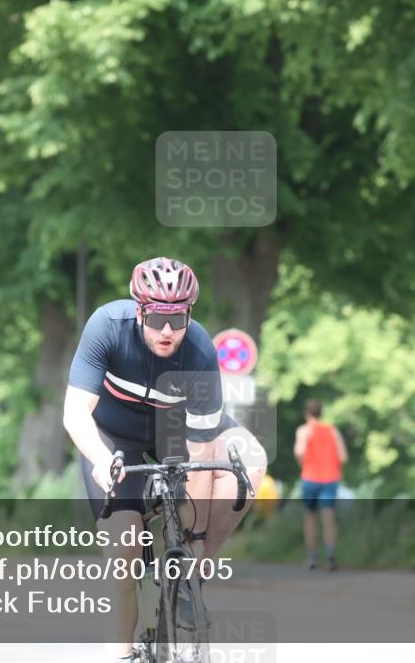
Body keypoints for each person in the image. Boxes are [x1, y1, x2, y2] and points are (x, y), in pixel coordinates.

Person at [63, 256, 267, 661]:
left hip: (178, 431)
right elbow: (75, 413)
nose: (168, 331)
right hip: (114, 436)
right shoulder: (106, 327)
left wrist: (194, 536)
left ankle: (194, 569)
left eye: (178, 318)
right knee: (123, 549)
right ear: (139, 311)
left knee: (250, 457)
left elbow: (201, 450)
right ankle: (122, 652)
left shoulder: (200, 352)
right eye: (157, 319)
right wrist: (103, 460)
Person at [294, 399, 348, 572]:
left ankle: (312, 558)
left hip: (310, 477)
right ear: (321, 413)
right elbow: (343, 457)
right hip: (331, 478)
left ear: (306, 414)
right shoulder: (333, 430)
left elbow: (300, 451)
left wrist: (303, 463)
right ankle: (331, 556)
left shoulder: (304, 430)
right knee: (328, 517)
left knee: (310, 516)